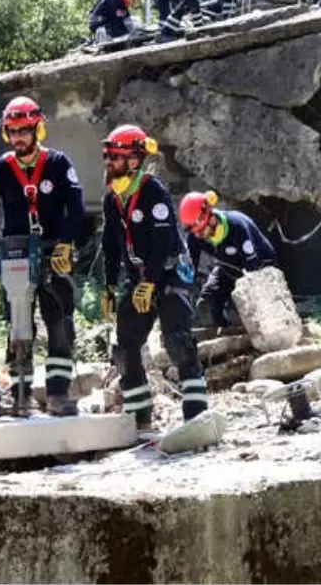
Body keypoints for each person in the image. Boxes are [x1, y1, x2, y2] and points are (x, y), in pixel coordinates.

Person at [0, 96, 83, 416]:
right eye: (12, 131)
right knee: (19, 327)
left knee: (60, 322)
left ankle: (58, 394)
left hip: (54, 251)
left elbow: (76, 208)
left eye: (24, 130)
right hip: (15, 252)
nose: (18, 136)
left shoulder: (58, 163)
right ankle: (20, 397)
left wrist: (66, 242)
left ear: (38, 129)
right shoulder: (0, 169)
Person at [100, 125, 208, 431]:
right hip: (139, 279)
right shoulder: (112, 200)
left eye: (115, 157)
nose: (108, 162)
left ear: (134, 160)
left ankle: (197, 416)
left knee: (177, 339)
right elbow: (111, 246)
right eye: (107, 155)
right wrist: (109, 286)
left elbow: (163, 243)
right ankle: (140, 417)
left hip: (171, 272)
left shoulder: (153, 191)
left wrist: (152, 282)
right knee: (125, 343)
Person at [178, 190, 277, 328]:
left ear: (211, 219)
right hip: (228, 266)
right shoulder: (196, 236)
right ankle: (222, 328)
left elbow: (253, 270)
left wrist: (241, 297)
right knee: (205, 305)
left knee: (241, 310)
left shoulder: (237, 226)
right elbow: (189, 268)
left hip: (259, 267)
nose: (199, 236)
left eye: (201, 230)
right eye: (195, 232)